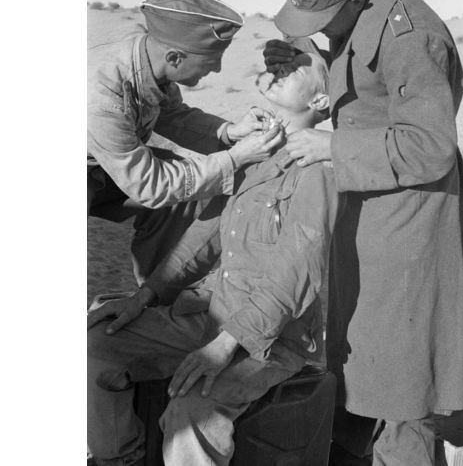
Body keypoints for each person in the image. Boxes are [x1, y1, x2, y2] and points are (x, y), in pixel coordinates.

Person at [264, 0, 463, 465]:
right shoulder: (365, 15)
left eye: (323, 18)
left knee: (404, 387)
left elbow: (431, 146)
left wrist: (330, 145)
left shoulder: (412, 35)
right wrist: (310, 61)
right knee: (363, 367)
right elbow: (368, 91)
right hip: (375, 209)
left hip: (410, 222)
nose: (318, 27)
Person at [87, 53, 339, 466]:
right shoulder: (255, 155)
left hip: (269, 340)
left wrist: (223, 346)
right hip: (212, 315)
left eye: (295, 66)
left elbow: (298, 274)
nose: (279, 69)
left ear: (319, 102)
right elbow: (203, 238)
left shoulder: (316, 171)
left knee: (192, 414)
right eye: (276, 64)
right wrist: (144, 296)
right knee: (95, 345)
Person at [88, 0, 283, 284]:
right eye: (209, 61)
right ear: (176, 58)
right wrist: (234, 159)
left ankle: (151, 297)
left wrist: (229, 132)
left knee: (186, 195)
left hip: (103, 167)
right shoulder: (103, 95)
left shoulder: (151, 58)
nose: (216, 69)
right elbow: (150, 186)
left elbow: (172, 114)